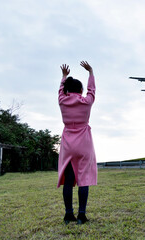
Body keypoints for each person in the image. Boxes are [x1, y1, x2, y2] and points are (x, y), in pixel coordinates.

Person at [57, 61, 98, 225]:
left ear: (67, 90)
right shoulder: (86, 102)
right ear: (80, 90)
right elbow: (92, 91)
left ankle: (68, 215)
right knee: (84, 179)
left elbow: (60, 91)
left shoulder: (62, 101)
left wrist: (63, 76)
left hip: (68, 144)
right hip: (84, 144)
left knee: (69, 180)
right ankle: (81, 215)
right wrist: (91, 73)